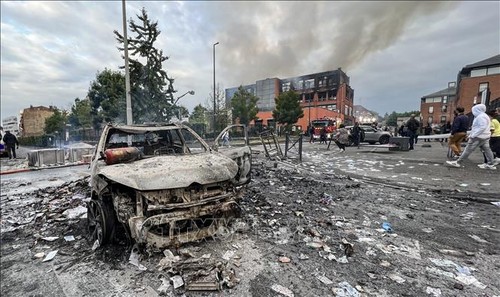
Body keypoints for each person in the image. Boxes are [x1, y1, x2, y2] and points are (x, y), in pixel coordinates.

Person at [446, 104, 497, 170]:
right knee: (487, 149)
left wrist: (473, 135)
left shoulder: (480, 117)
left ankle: (458, 162)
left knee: (468, 149)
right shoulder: (485, 116)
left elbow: (481, 127)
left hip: (478, 137)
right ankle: (490, 164)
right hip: (485, 136)